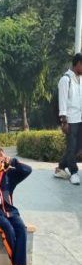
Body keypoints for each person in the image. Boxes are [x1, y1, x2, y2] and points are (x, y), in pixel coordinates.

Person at [55, 53, 82, 185]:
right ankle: (74, 172)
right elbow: (63, 101)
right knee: (71, 147)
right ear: (79, 64)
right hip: (70, 120)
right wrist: (64, 121)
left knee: (78, 146)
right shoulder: (65, 80)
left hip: (80, 118)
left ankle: (60, 167)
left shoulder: (80, 79)